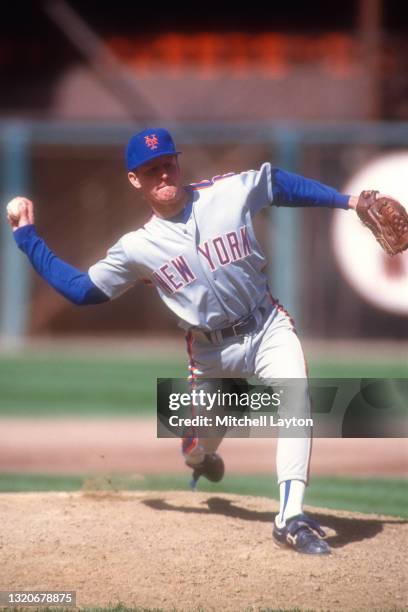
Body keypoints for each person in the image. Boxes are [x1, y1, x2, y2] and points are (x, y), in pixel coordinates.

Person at [8, 127, 361, 555]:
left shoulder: (226, 192)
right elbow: (83, 291)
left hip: (266, 324)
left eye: (168, 163)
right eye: (151, 170)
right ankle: (196, 453)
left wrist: (350, 201)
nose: (163, 174)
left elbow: (278, 183)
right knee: (203, 442)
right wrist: (27, 240)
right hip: (210, 351)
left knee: (296, 395)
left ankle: (289, 517)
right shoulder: (137, 247)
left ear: (179, 162)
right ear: (135, 180)